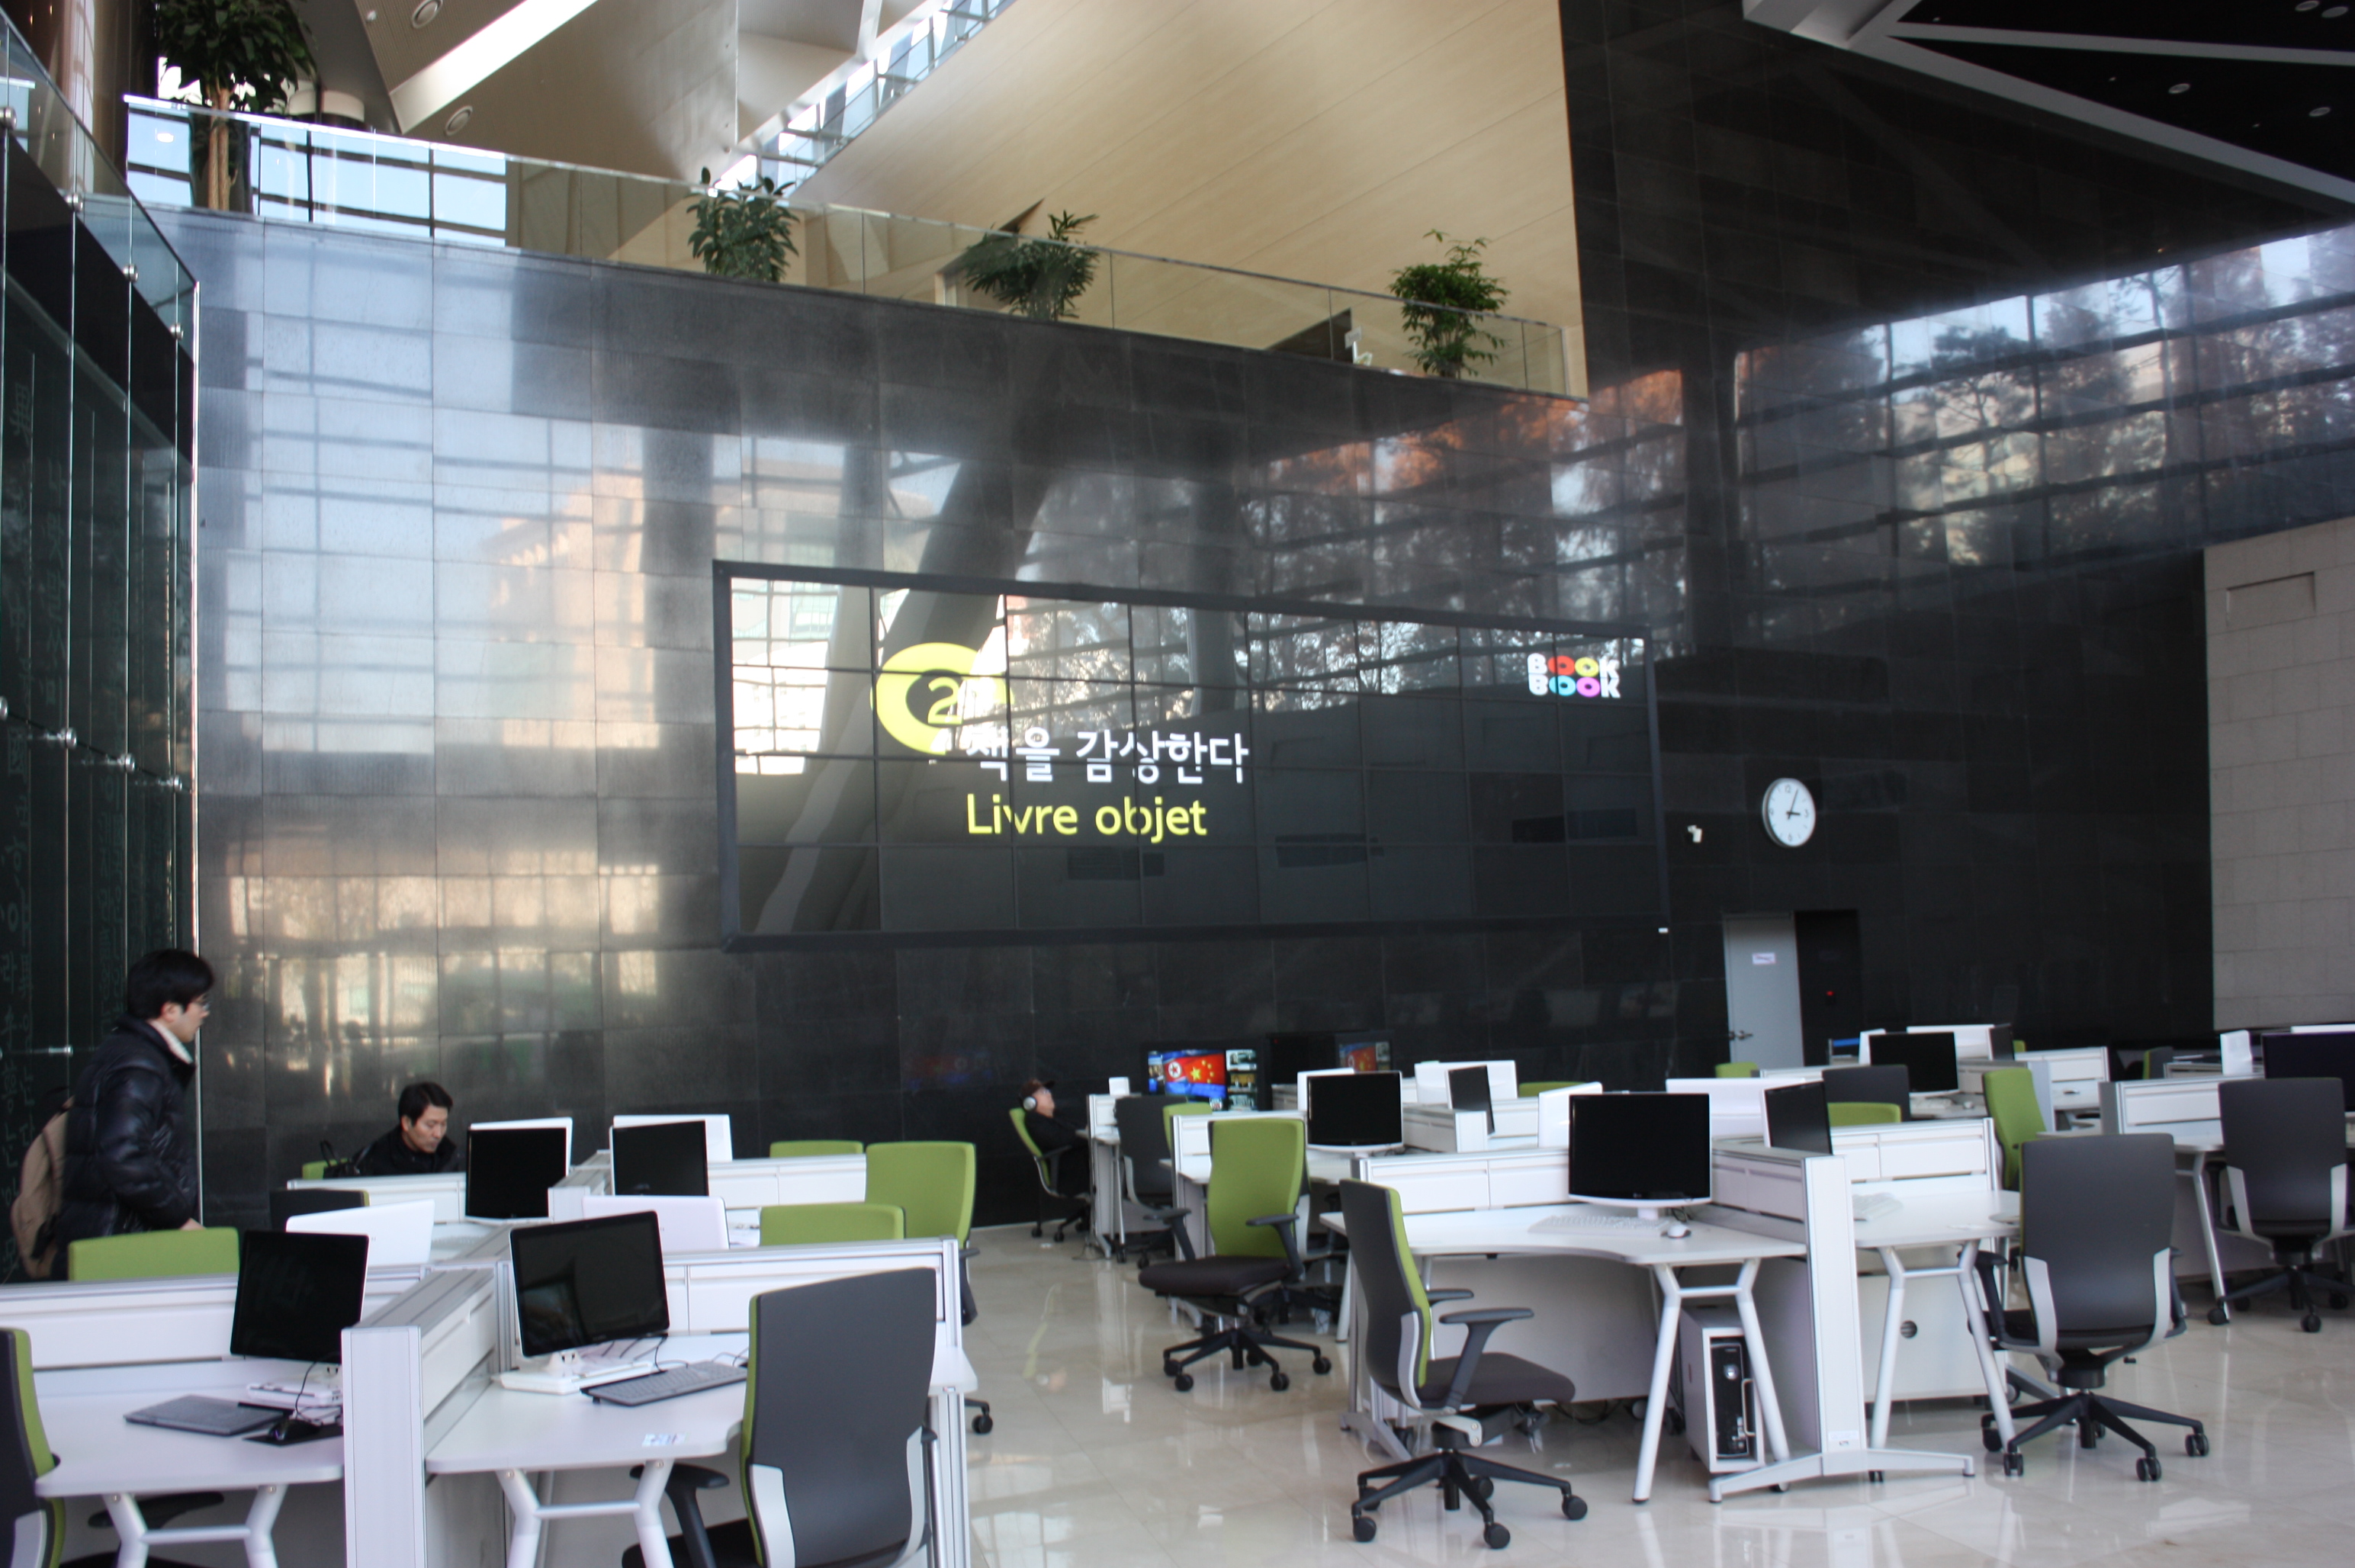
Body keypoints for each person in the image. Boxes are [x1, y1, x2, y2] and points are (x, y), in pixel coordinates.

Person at [53, 950, 210, 1264]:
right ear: (170, 1010)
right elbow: (123, 1153)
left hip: (112, 1234)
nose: (205, 1013)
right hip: (122, 1242)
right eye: (201, 1003)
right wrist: (177, 1218)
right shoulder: (139, 1064)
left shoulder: (128, 1051)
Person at [355, 1081, 460, 1176]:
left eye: (443, 1124)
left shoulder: (450, 1155)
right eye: (430, 1125)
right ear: (407, 1123)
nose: (438, 1134)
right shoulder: (374, 1162)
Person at [1020, 1079, 1084, 1162]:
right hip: (1069, 1164)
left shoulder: (1057, 1115)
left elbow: (1078, 1126)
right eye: (1043, 1092)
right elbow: (1059, 1141)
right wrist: (1085, 1135)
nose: (1049, 1095)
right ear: (1030, 1102)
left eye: (1048, 1091)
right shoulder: (1034, 1119)